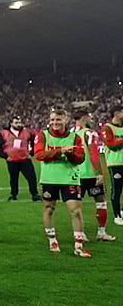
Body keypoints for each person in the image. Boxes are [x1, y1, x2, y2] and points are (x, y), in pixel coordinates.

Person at [34, 108, 90, 258]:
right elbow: (39, 155)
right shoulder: (43, 136)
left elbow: (80, 158)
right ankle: (52, 241)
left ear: (65, 120)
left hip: (69, 178)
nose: (55, 123)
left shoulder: (75, 137)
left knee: (76, 211)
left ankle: (78, 246)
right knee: (48, 209)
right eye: (52, 120)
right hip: (49, 179)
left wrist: (70, 153)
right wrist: (60, 151)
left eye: (58, 119)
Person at [74, 111, 115, 242]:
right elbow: (94, 154)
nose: (91, 119)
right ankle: (101, 232)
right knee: (101, 202)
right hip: (91, 174)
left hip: (76, 175)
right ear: (84, 117)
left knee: (76, 205)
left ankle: (80, 234)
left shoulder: (70, 133)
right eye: (89, 117)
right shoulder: (89, 133)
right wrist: (99, 173)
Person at [0, 115, 41, 201]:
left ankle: (35, 194)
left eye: (19, 122)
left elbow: (34, 141)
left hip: (25, 159)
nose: (19, 124)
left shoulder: (27, 132)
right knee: (13, 178)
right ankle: (13, 195)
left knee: (31, 177)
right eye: (16, 123)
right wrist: (4, 156)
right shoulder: (4, 133)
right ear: (11, 123)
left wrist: (31, 152)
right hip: (12, 160)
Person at [101, 104, 123, 225]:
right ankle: (117, 216)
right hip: (115, 163)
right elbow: (112, 145)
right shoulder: (107, 128)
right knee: (117, 189)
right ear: (116, 114)